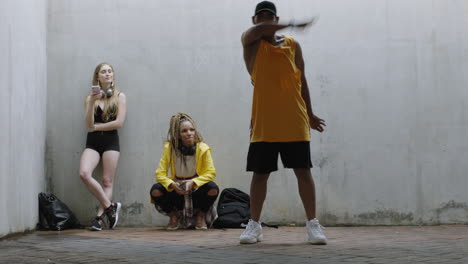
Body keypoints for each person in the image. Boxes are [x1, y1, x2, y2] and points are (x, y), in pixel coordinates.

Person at [239, 1, 327, 244]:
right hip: (265, 121)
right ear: (255, 19)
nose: (266, 20)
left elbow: (302, 79)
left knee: (303, 172)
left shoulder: (293, 45)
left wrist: (309, 113)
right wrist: (293, 24)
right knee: (260, 174)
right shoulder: (250, 41)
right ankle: (254, 226)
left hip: (294, 119)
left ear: (275, 18)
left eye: (270, 17)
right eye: (262, 17)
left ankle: (313, 225)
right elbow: (257, 32)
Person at [150, 113, 219, 230]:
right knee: (155, 191)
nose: (189, 133)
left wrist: (193, 182)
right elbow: (159, 174)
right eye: (184, 131)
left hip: (195, 189)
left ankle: (200, 216)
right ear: (178, 134)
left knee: (213, 188)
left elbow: (211, 172)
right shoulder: (169, 149)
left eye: (192, 130)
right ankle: (173, 216)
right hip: (177, 189)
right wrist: (172, 184)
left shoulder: (203, 148)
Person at [79, 63, 126, 231]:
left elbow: (119, 123)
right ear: (97, 76)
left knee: (107, 181)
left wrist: (97, 127)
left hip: (111, 141)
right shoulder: (89, 98)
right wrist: (92, 102)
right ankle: (110, 207)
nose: (107, 74)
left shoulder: (120, 96)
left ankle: (98, 219)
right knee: (84, 174)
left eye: (109, 71)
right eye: (103, 72)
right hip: (92, 142)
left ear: (113, 75)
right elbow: (88, 123)